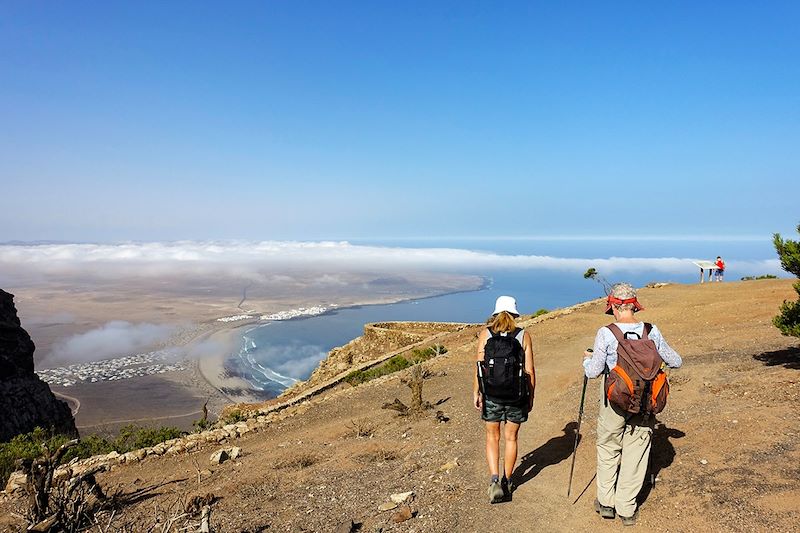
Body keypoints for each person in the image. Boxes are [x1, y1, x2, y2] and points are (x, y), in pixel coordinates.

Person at [582, 283, 682, 526]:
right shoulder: (651, 331)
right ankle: (627, 508)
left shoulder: (607, 333)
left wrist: (586, 361)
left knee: (608, 448)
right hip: (645, 402)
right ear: (634, 306)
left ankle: (606, 503)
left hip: (614, 401)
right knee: (636, 453)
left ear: (615, 306)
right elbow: (676, 361)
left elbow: (595, 371)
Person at [473, 295, 535, 503]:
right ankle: (508, 480)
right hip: (517, 396)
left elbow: (480, 368)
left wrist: (477, 392)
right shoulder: (523, 336)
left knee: (492, 437)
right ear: (515, 313)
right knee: (511, 438)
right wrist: (531, 396)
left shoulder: (486, 334)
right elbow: (530, 370)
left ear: (495, 312)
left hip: (491, 394)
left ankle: (494, 480)